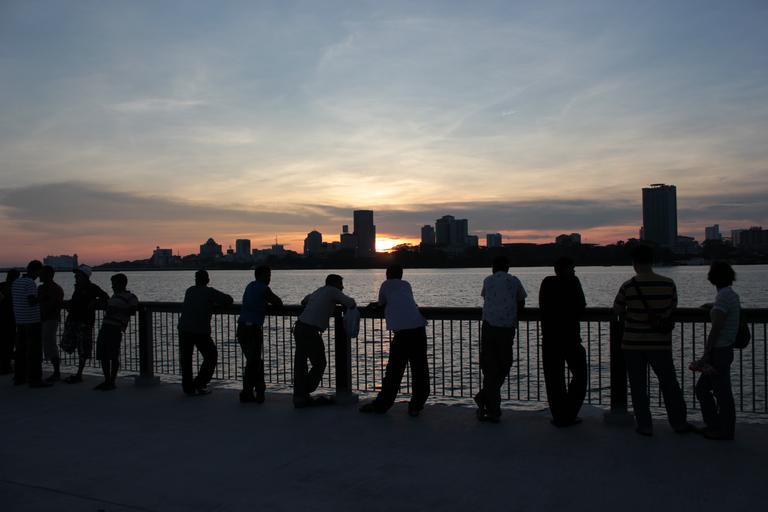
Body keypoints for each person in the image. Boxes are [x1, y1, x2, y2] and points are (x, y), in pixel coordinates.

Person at [613, 245, 693, 436]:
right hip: (660, 342)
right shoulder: (668, 284)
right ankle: (679, 423)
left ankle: (645, 426)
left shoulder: (628, 286)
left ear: (634, 263)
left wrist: (632, 316)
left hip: (632, 343)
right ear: (652, 262)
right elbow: (672, 307)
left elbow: (617, 310)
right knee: (669, 383)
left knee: (638, 386)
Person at [359, 265, 430, 417]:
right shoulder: (406, 285)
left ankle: (382, 405)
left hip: (402, 333)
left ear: (387, 274)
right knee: (420, 370)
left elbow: (381, 303)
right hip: (418, 329)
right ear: (401, 275)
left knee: (394, 371)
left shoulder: (386, 285)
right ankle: (416, 406)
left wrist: (376, 306)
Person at [690, 262, 739, 440]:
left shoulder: (723, 297)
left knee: (720, 392)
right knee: (707, 389)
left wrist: (706, 353)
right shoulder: (730, 294)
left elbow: (717, 327)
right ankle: (717, 426)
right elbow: (721, 311)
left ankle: (723, 430)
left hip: (719, 350)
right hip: (725, 349)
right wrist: (711, 306)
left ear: (713, 278)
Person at [474, 256, 527, 422]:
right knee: (504, 364)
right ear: (507, 267)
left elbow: (486, 298)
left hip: (489, 326)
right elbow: (521, 301)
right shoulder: (514, 281)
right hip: (506, 328)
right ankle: (490, 406)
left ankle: (487, 400)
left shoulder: (488, 280)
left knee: (490, 367)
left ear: (493, 268)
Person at [293, 274, 356, 408]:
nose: (342, 287)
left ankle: (300, 396)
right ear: (334, 284)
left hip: (300, 327)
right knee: (320, 363)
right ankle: (304, 391)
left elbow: (304, 301)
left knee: (301, 363)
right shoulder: (333, 291)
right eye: (340, 284)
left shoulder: (319, 291)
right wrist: (337, 301)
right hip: (310, 330)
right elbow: (351, 303)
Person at [539, 257, 587, 427]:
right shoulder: (573, 282)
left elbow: (543, 306)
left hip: (549, 337)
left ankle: (559, 415)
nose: (574, 271)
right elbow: (581, 305)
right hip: (570, 337)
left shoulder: (547, 282)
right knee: (580, 375)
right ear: (566, 269)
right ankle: (570, 412)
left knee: (553, 379)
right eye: (572, 268)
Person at [178, 270, 233, 396]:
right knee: (211, 356)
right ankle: (200, 383)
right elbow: (228, 300)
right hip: (200, 330)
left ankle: (188, 388)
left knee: (186, 360)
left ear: (196, 280)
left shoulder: (190, 290)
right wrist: (213, 304)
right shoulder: (209, 292)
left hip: (184, 328)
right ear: (207, 280)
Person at [237, 266, 283, 403]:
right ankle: (249, 392)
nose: (269, 278)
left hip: (242, 327)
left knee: (253, 361)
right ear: (261, 276)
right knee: (254, 362)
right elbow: (278, 302)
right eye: (267, 275)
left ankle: (256, 392)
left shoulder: (250, 286)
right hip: (253, 328)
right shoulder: (263, 288)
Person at [62, 265, 109, 384]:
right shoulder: (77, 288)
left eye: (77, 274)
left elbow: (105, 296)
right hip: (73, 320)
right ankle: (77, 373)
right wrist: (70, 304)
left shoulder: (92, 287)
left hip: (84, 322)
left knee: (83, 348)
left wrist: (95, 301)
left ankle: (79, 374)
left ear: (84, 276)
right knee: (67, 345)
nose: (75, 276)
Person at [94, 274, 139, 391]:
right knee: (103, 354)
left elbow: (132, 311)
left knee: (113, 355)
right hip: (105, 326)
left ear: (122, 284)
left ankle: (112, 381)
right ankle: (107, 380)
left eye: (114, 284)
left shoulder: (131, 297)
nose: (112, 286)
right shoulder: (114, 296)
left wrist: (116, 310)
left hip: (115, 328)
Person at [11, 260, 50, 387]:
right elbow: (31, 301)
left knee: (20, 350)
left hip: (20, 320)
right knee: (34, 351)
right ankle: (35, 379)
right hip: (32, 321)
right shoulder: (30, 283)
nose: (39, 275)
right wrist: (43, 298)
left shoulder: (16, 282)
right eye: (39, 272)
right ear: (36, 270)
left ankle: (19, 377)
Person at [38, 265, 65, 382]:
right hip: (44, 319)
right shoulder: (43, 288)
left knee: (50, 344)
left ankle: (56, 372)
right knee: (47, 344)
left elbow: (53, 304)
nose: (39, 275)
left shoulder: (54, 288)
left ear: (48, 275)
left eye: (42, 273)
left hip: (50, 319)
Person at [0, 269, 21, 375]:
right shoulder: (15, 287)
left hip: (3, 317)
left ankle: (4, 365)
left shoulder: (1, 286)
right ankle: (6, 366)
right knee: (9, 342)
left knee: (4, 342)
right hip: (11, 318)